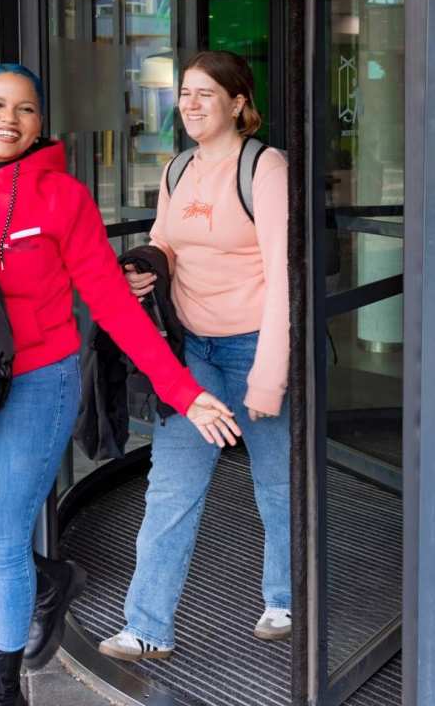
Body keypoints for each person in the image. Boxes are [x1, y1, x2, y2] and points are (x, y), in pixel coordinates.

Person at [0, 63, 240, 706]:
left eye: (25, 110)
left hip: (38, 381)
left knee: (3, 540)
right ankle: (51, 582)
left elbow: (114, 304)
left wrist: (183, 392)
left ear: (41, 123)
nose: (8, 120)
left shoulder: (63, 197)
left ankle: (1, 681)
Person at [99, 50, 290, 662]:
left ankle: (284, 596)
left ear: (239, 102)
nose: (191, 104)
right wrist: (146, 269)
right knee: (172, 485)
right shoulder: (178, 168)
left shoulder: (265, 167)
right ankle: (147, 625)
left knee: (277, 483)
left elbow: (286, 277)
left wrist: (270, 374)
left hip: (255, 344)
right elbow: (164, 240)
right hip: (192, 350)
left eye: (206, 93)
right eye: (185, 93)